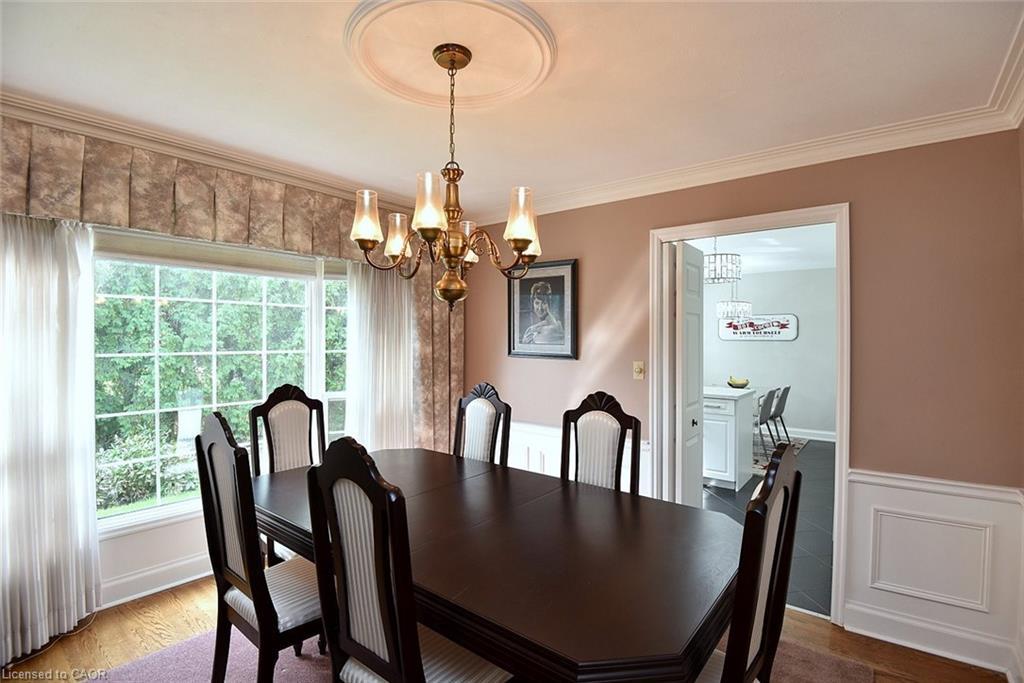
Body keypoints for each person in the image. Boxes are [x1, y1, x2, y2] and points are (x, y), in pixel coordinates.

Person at [522, 280, 564, 344]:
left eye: (544, 303)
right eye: (537, 303)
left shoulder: (552, 328)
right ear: (532, 303)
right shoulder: (534, 329)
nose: (540, 308)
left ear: (549, 303)